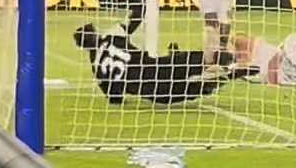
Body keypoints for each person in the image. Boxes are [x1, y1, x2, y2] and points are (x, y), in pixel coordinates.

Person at [73, 22, 249, 106]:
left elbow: (115, 99)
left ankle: (226, 76)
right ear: (95, 35)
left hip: (153, 93)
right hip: (157, 67)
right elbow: (134, 19)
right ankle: (229, 62)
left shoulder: (96, 67)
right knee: (192, 60)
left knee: (196, 88)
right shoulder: (112, 35)